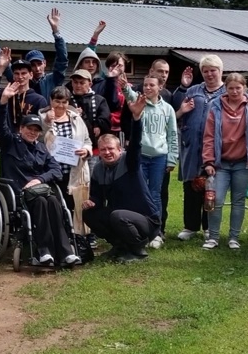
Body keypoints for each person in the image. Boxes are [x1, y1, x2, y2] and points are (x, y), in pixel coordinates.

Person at [0, 85, 77, 267]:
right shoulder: (10, 143)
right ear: (21, 128)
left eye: (36, 129)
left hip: (40, 189)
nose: (33, 132)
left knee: (54, 202)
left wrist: (39, 179)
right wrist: (3, 102)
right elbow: (0, 126)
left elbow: (55, 170)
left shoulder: (41, 148)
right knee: (41, 203)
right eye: (29, 128)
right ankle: (45, 251)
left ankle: (66, 252)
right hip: (19, 193)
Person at [84, 104, 161, 263]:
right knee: (90, 214)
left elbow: (136, 143)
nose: (107, 152)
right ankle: (119, 246)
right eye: (103, 150)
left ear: (120, 150)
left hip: (146, 220)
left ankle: (138, 251)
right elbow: (97, 197)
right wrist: (92, 202)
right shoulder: (98, 169)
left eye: (111, 149)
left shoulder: (130, 162)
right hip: (119, 217)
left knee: (118, 215)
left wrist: (137, 119)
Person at [201, 73, 248, 250]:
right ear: (225, 89)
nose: (235, 91)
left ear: (244, 88)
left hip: (243, 163)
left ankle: (233, 238)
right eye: (231, 88)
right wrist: (208, 161)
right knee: (216, 199)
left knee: (238, 201)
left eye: (238, 88)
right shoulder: (216, 106)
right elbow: (208, 136)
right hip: (221, 163)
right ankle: (213, 237)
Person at [175, 55, 226, 242]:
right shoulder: (193, 90)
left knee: (210, 187)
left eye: (213, 70)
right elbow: (175, 113)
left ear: (220, 71)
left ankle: (208, 227)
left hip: (215, 147)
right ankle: (190, 226)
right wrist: (183, 94)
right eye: (205, 71)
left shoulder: (228, 92)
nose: (209, 74)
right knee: (191, 186)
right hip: (191, 146)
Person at [127, 73, 178, 245]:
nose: (147, 88)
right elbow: (128, 93)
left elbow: (172, 135)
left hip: (159, 158)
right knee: (140, 192)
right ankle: (140, 230)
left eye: (151, 85)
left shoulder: (168, 109)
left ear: (160, 88)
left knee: (155, 194)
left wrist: (172, 159)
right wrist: (121, 81)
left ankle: (156, 232)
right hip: (141, 156)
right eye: (145, 85)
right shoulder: (139, 102)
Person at [40, 86, 93, 249]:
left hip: (74, 172)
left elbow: (87, 140)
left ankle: (77, 238)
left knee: (74, 205)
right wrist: (48, 123)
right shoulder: (42, 118)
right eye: (57, 101)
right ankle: (57, 238)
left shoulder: (76, 118)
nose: (60, 105)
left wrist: (86, 150)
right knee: (55, 206)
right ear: (51, 101)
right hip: (52, 172)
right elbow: (39, 140)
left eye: (64, 102)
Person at [0, 11, 70, 98]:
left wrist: (56, 32)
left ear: (44, 63)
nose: (37, 68)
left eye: (39, 64)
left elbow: (62, 60)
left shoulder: (53, 79)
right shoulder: (21, 79)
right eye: (33, 65)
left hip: (47, 111)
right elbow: (4, 63)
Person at [0, 48, 47, 128]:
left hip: (27, 139)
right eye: (17, 73)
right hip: (5, 137)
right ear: (13, 76)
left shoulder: (39, 100)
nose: (20, 77)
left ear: (31, 75)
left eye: (23, 73)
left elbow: (42, 127)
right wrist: (1, 68)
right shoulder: (5, 94)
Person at [67, 69, 110, 148]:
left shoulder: (99, 100)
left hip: (95, 144)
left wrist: (98, 125)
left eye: (82, 83)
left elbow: (105, 119)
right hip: (72, 143)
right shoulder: (66, 100)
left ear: (90, 84)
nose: (78, 85)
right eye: (75, 82)